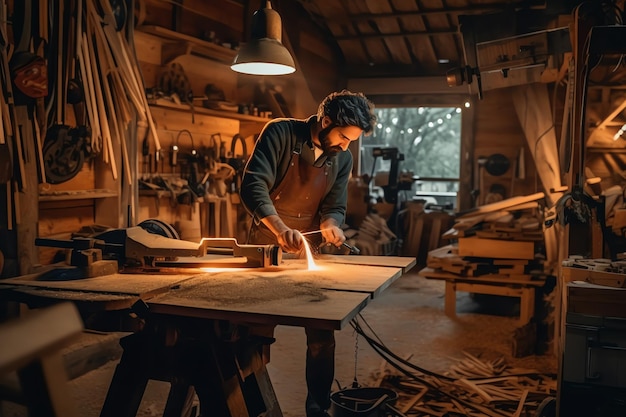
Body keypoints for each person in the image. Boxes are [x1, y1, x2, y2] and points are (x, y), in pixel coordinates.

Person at [239, 90, 376, 417]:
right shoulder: (281, 132)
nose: (346, 146)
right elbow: (253, 185)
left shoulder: (343, 157)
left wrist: (332, 224)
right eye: (343, 137)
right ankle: (247, 405)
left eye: (351, 141)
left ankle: (317, 407)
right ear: (325, 120)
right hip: (266, 242)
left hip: (309, 249)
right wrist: (278, 227)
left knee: (321, 335)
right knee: (251, 332)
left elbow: (335, 205)